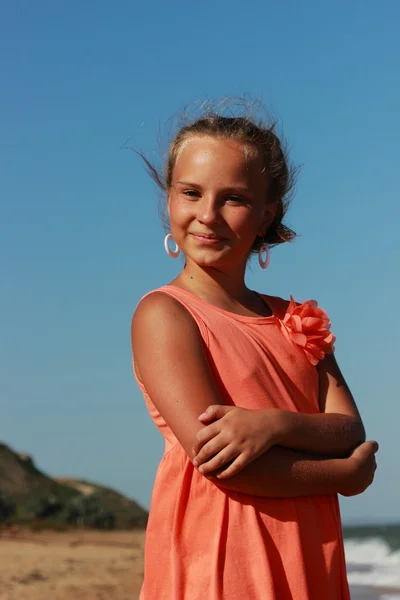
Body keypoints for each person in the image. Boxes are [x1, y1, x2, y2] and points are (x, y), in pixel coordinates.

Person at [131, 110, 378, 600]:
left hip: (308, 548)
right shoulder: (165, 314)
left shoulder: (297, 320)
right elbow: (226, 465)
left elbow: (349, 429)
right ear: (169, 198)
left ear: (267, 212)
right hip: (222, 557)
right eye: (191, 192)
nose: (207, 214)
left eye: (235, 199)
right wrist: (344, 476)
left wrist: (271, 425)